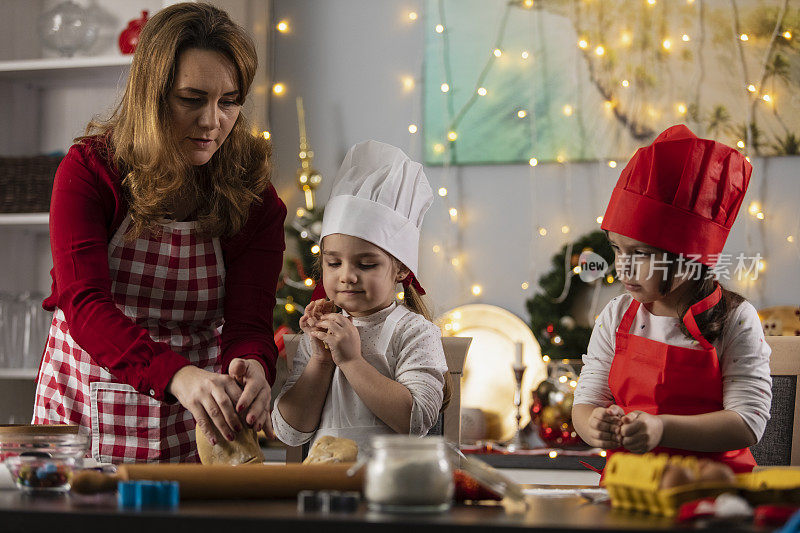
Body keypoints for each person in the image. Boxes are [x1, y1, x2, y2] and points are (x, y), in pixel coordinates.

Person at [32, 2, 287, 463]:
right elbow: (85, 305)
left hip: (194, 416)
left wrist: (253, 362)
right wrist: (178, 376)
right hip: (84, 407)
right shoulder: (92, 172)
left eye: (229, 101)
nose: (212, 122)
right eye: (192, 99)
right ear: (152, 94)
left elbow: (249, 321)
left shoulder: (253, 196)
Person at [572, 125, 772, 473]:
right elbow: (586, 402)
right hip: (632, 489)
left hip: (715, 493)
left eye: (642, 254)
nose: (624, 266)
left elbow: (747, 422)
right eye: (617, 249)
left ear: (690, 259)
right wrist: (595, 426)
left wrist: (662, 428)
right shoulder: (617, 314)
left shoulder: (737, 319)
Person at [271, 140, 449, 454]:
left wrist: (352, 361)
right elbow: (290, 432)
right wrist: (321, 360)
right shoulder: (320, 337)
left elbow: (416, 421)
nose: (347, 276)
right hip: (326, 492)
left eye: (366, 264)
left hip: (390, 489)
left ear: (401, 270)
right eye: (334, 263)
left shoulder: (415, 333)